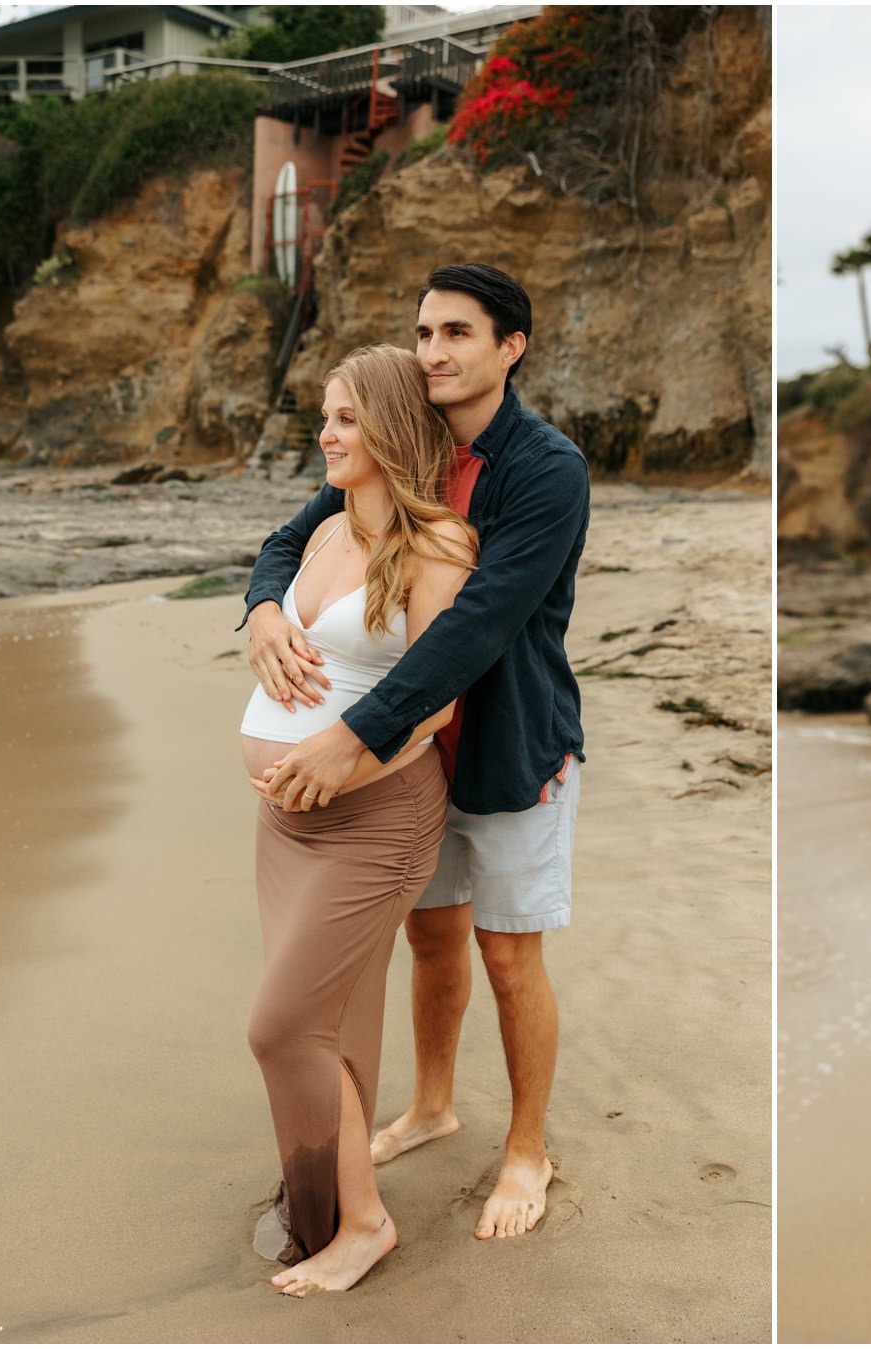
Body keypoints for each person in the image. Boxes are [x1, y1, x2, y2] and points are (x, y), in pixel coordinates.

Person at [241, 262, 589, 1243]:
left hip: (510, 745)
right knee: (429, 938)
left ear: (510, 347)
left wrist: (347, 737)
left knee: (510, 954)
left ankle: (527, 1145)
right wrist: (264, 606)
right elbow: (294, 530)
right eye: (425, 331)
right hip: (411, 768)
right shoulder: (413, 441)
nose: (434, 350)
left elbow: (475, 628)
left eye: (458, 333)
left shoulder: (546, 468)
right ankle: (433, 1102)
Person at [240, 343, 477, 1294]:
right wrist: (261, 612)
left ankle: (364, 1223)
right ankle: (327, 1203)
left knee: (280, 1024)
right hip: (281, 825)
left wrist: (343, 766)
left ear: (386, 425)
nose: (327, 434)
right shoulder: (326, 529)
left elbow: (436, 698)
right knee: (333, 1020)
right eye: (323, 418)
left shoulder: (439, 546)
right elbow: (274, 584)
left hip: (373, 820)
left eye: (344, 418)